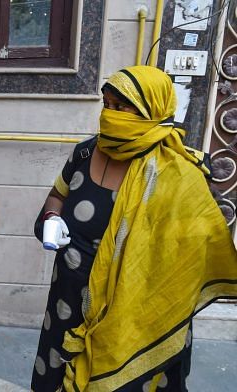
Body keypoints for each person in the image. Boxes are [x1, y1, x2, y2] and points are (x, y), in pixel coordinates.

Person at [31, 65, 237, 391]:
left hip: (135, 316)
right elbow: (57, 196)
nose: (110, 114)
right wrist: (51, 220)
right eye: (106, 105)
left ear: (151, 110)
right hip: (67, 304)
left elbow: (191, 257)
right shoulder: (85, 152)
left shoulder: (178, 174)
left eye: (121, 107)